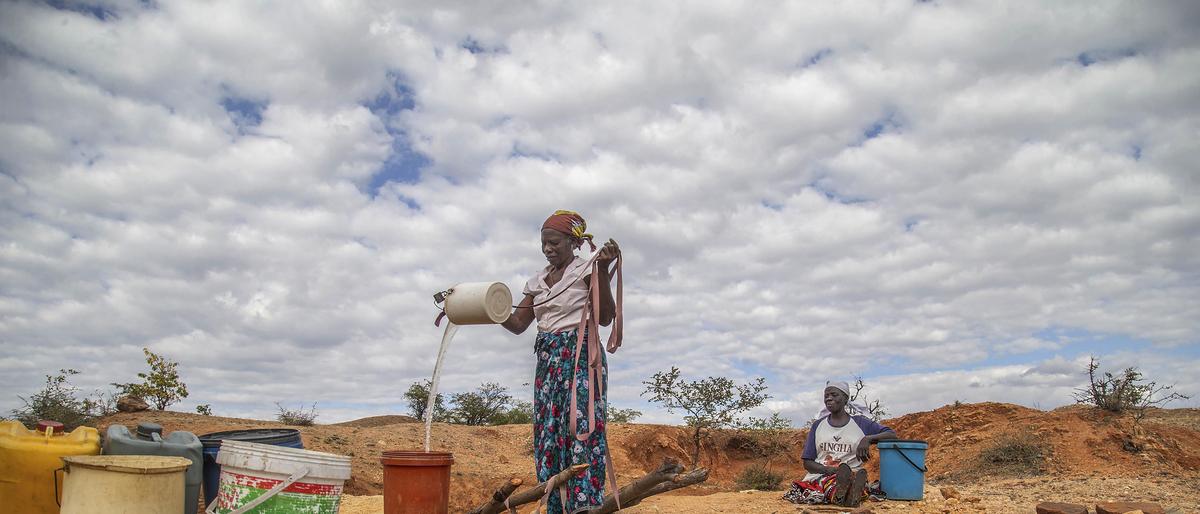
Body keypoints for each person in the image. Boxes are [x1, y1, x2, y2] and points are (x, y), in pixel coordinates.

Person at [501, 210, 622, 514]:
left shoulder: (587, 271)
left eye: (554, 242)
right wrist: (488, 307)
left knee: (581, 425)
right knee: (549, 431)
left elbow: (606, 317)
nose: (548, 249)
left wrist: (604, 270)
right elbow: (517, 324)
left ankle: (584, 504)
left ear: (572, 242)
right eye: (544, 244)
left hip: (580, 354)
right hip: (548, 359)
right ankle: (555, 502)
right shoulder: (537, 281)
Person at [785, 381, 897, 507]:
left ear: (845, 399)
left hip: (853, 474)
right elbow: (808, 463)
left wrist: (868, 439)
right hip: (822, 475)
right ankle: (846, 495)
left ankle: (848, 493)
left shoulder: (860, 423)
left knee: (852, 481)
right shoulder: (818, 426)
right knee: (830, 484)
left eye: (834, 394)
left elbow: (891, 434)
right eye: (826, 395)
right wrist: (830, 470)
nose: (829, 398)